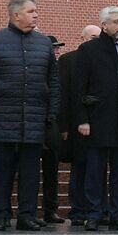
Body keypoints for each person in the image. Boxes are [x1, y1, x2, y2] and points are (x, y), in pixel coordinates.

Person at [0, 0, 60, 231]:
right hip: (2, 118)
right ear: (16, 15)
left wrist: (51, 114)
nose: (36, 15)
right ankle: (0, 215)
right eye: (31, 11)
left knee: (31, 172)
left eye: (36, 11)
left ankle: (27, 215)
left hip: (33, 119)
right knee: (1, 171)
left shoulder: (43, 44)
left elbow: (53, 82)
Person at [73, 8, 118, 231]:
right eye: (116, 22)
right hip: (97, 120)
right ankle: (94, 213)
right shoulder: (88, 50)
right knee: (95, 170)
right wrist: (82, 119)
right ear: (104, 25)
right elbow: (79, 87)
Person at [58, 24, 100, 227]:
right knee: (80, 168)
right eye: (91, 37)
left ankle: (98, 208)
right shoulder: (67, 61)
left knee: (99, 169)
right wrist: (64, 126)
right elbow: (64, 95)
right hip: (77, 125)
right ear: (82, 38)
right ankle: (77, 210)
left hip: (101, 125)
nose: (95, 40)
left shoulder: (106, 59)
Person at [39, 34, 67, 224]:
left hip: (53, 123)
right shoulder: (39, 67)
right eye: (54, 47)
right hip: (35, 121)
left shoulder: (60, 67)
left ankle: (51, 209)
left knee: (52, 169)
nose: (57, 50)